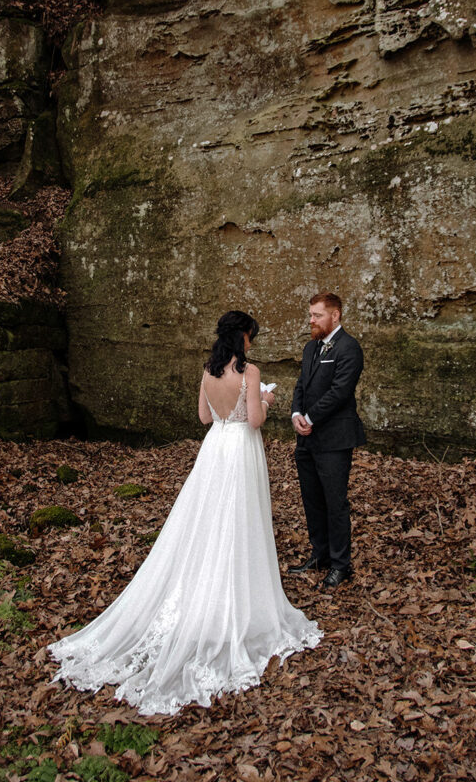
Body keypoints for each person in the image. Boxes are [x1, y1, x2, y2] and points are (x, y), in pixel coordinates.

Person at [48, 310, 322, 715]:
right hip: (240, 453)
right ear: (243, 337)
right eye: (251, 336)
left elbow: (204, 417)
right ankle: (234, 601)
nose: (252, 343)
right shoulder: (250, 371)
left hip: (214, 449)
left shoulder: (208, 370)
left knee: (206, 522)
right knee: (238, 522)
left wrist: (235, 410)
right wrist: (263, 399)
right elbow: (257, 421)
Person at [290, 292, 366, 591]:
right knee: (312, 500)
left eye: (317, 315)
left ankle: (340, 564)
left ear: (335, 315)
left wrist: (310, 418)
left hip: (334, 438)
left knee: (335, 503)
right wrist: (297, 412)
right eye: (310, 314)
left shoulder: (349, 348)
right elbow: (301, 385)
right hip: (306, 438)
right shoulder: (311, 348)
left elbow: (340, 392)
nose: (311, 320)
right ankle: (319, 554)